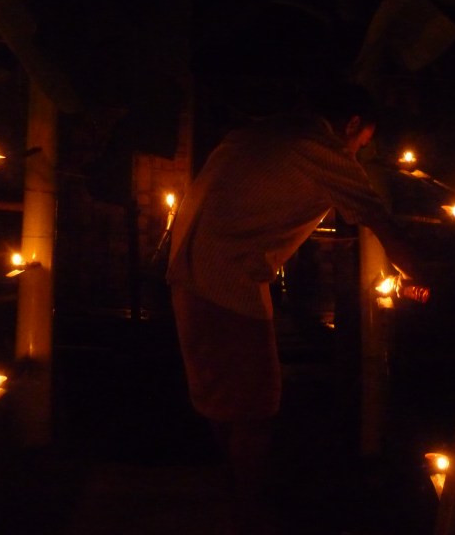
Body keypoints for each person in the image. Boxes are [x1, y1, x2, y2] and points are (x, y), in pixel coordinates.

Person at [165, 82, 418, 534]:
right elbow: (377, 216)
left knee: (222, 399)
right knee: (256, 409)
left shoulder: (261, 134)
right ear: (352, 125)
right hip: (228, 280)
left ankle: (235, 495)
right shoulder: (317, 146)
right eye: (360, 146)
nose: (357, 157)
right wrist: (423, 275)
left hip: (188, 271)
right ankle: (249, 511)